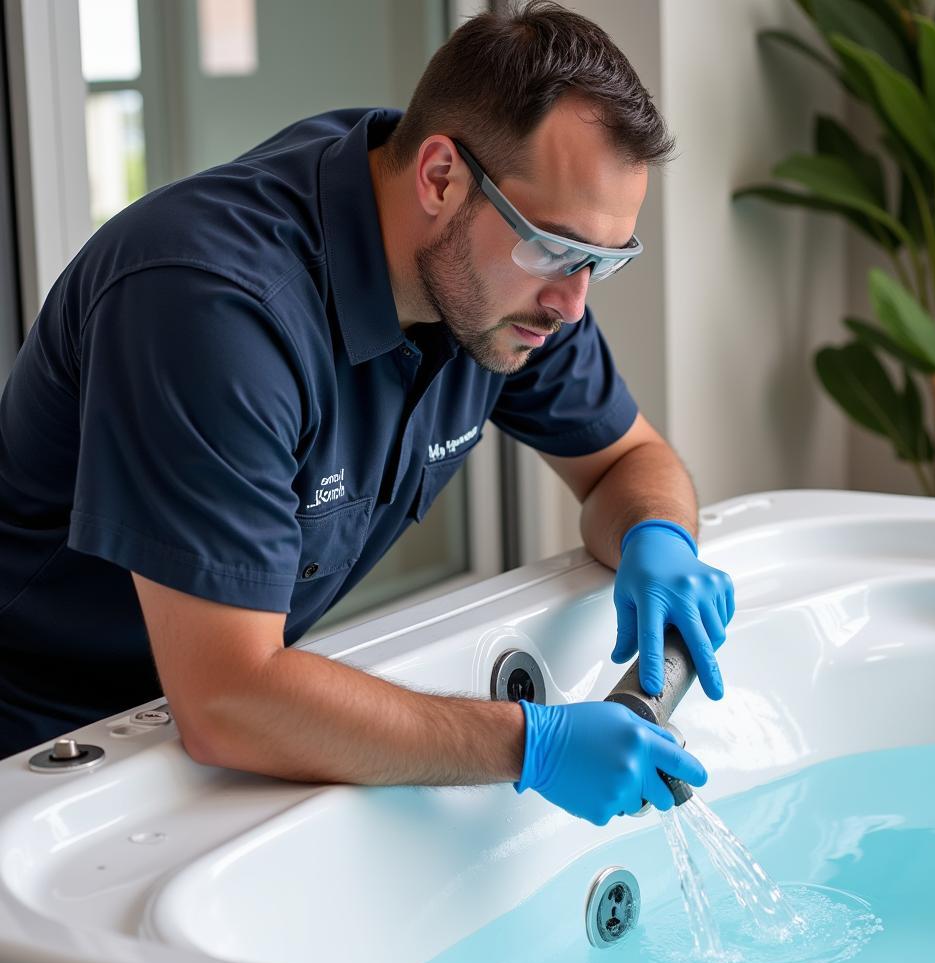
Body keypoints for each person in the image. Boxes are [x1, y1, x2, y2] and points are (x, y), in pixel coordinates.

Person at [0, 1, 733, 825]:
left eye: (604, 260)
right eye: (559, 249)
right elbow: (229, 698)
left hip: (196, 733)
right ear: (439, 177)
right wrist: (532, 745)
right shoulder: (208, 307)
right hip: (36, 763)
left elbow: (626, 464)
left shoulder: (505, 285)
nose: (573, 302)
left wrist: (657, 536)